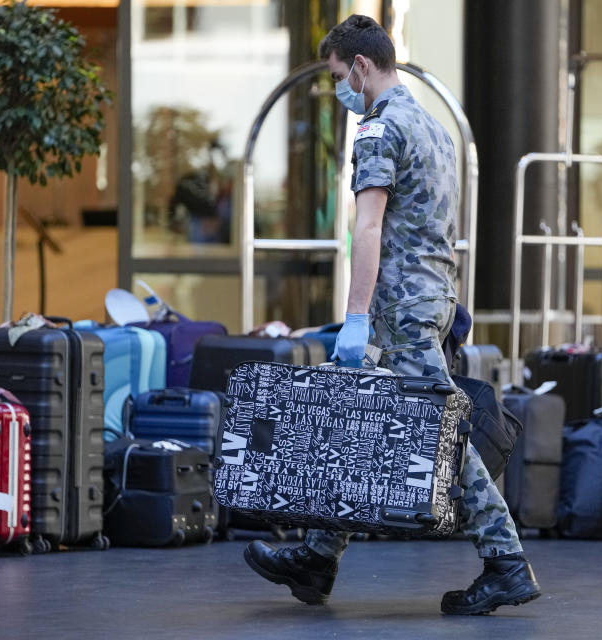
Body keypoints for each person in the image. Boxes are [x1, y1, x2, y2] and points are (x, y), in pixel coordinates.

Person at [242, 14, 541, 616]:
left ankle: (507, 562)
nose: (338, 91)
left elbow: (369, 226)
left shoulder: (379, 131)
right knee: (353, 425)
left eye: (336, 76)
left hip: (398, 311)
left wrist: (354, 320)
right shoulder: (433, 128)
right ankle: (319, 556)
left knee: (441, 438)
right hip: (429, 301)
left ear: (360, 66)